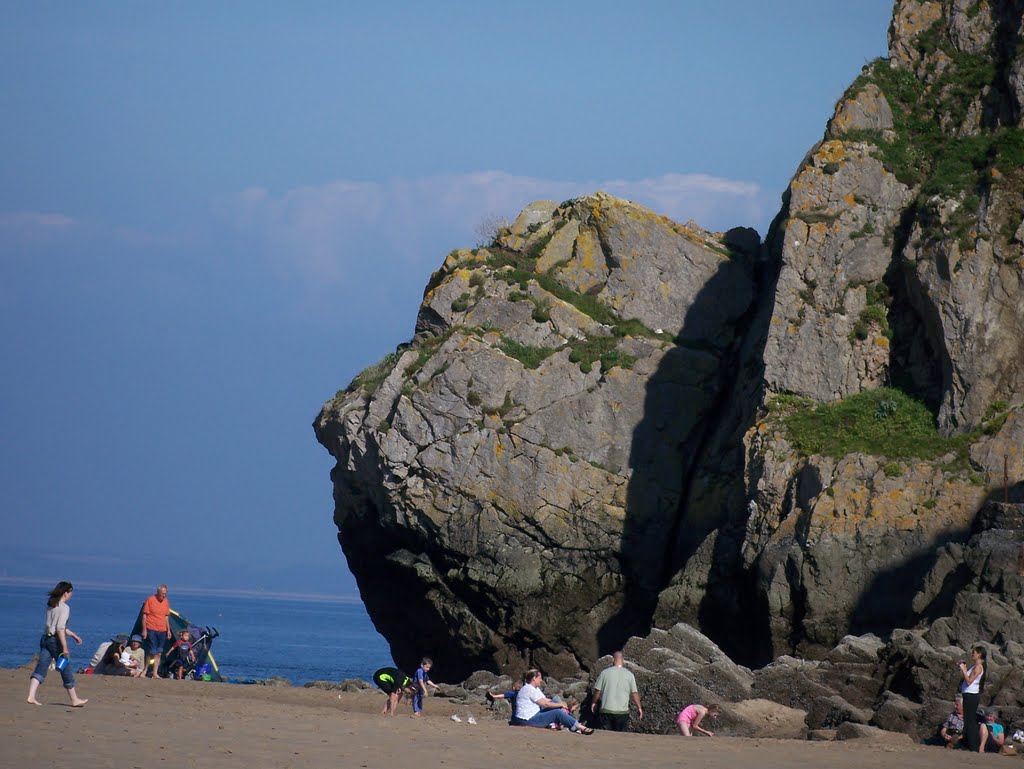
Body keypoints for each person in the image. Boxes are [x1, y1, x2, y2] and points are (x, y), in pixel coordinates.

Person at [26, 581, 88, 707]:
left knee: (41, 667)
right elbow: (60, 628)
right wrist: (65, 647)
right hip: (55, 641)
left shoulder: (51, 605)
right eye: (71, 593)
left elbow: (55, 625)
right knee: (66, 668)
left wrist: (73, 635)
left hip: (45, 639)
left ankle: (31, 696)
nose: (71, 595)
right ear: (66, 593)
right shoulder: (65, 608)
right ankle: (74, 699)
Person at [512, 669, 594, 734]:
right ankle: (579, 727)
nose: (541, 680)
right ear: (534, 678)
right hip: (527, 720)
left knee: (555, 702)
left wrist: (562, 705)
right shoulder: (529, 689)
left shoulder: (533, 688)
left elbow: (547, 700)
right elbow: (545, 704)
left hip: (532, 715)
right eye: (539, 678)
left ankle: (571, 722)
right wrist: (561, 704)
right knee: (557, 712)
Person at [590, 651, 643, 731]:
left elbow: (598, 691)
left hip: (606, 710)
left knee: (606, 736)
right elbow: (634, 693)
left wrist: (594, 702)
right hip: (622, 712)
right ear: (623, 660)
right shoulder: (629, 675)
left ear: (613, 660)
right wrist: (639, 707)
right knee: (621, 737)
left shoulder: (604, 673)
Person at [958, 645, 986, 752]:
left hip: (971, 696)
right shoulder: (974, 666)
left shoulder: (978, 667)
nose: (972, 654)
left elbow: (969, 681)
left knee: (970, 721)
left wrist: (963, 670)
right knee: (967, 720)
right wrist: (964, 669)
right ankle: (968, 744)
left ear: (979, 654)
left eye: (974, 652)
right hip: (968, 695)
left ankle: (973, 746)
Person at [141, 584, 172, 678]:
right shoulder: (150, 600)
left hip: (162, 630)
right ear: (158, 593)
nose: (164, 596)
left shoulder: (166, 601)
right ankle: (145, 670)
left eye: (165, 594)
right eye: (162, 594)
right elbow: (144, 615)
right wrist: (144, 630)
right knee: (152, 651)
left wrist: (169, 630)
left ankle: (155, 673)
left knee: (159, 652)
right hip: (151, 628)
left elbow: (166, 616)